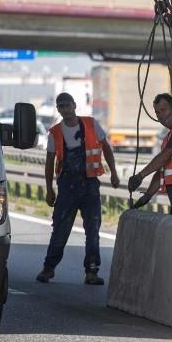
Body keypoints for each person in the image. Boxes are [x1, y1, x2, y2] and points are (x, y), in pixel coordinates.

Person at [36, 92, 121, 285]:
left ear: (74, 105)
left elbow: (106, 147)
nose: (65, 110)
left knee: (93, 229)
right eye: (61, 107)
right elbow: (50, 161)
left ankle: (92, 271)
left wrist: (113, 173)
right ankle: (48, 268)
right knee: (60, 229)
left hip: (90, 184)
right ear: (58, 110)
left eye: (67, 106)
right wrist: (49, 189)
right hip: (67, 186)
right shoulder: (55, 132)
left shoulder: (91, 124)